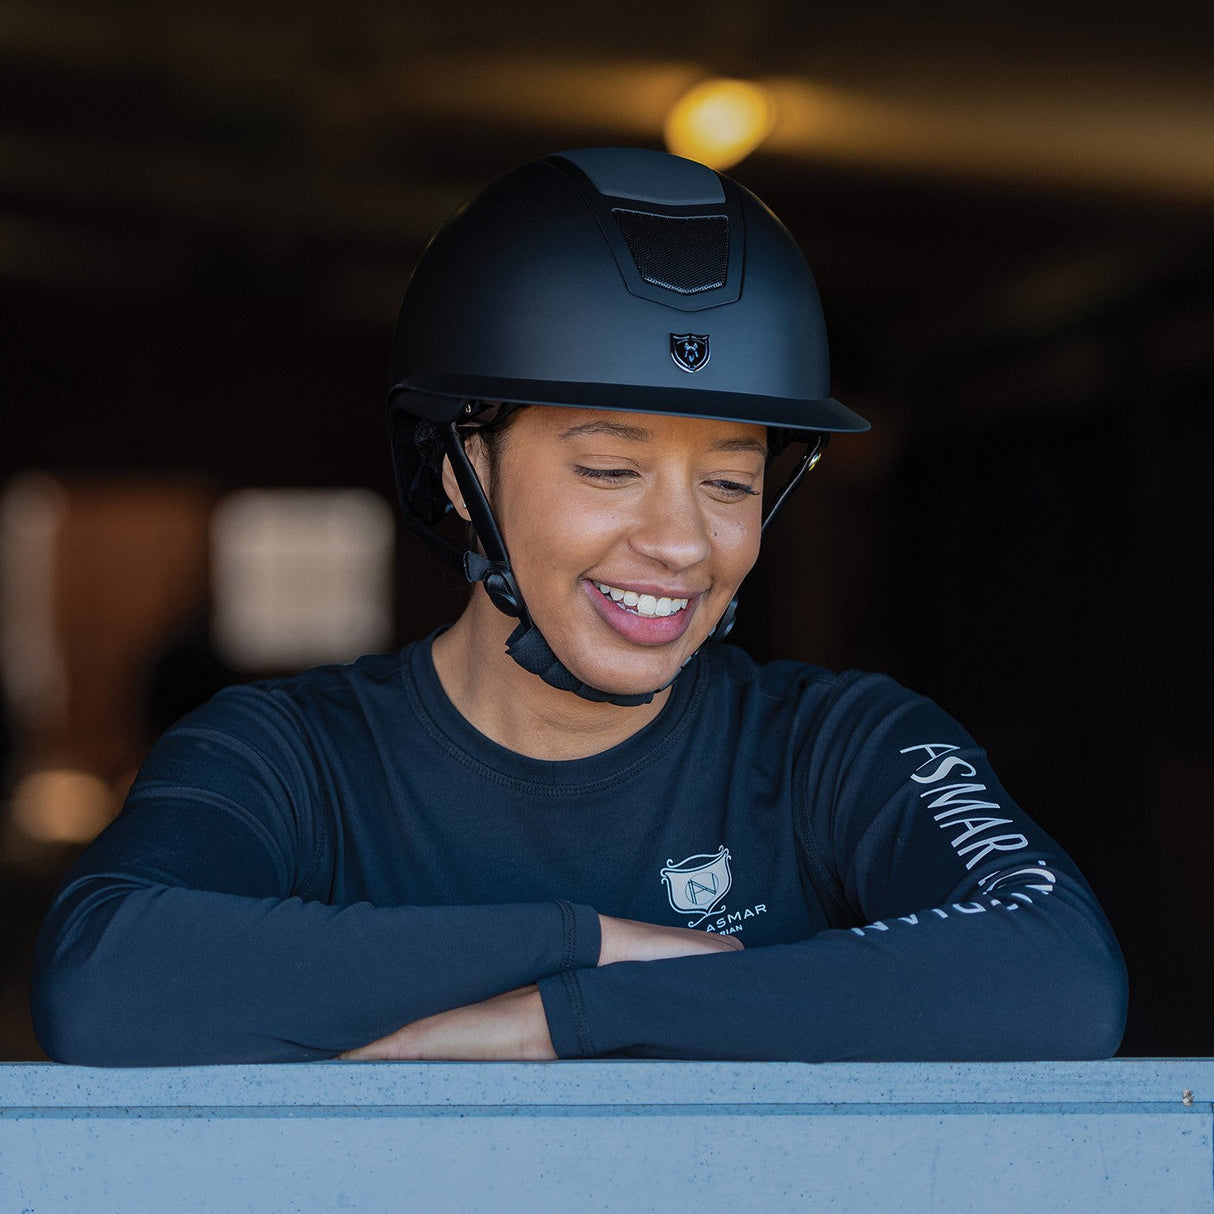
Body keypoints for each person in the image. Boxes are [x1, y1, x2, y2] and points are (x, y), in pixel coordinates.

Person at [31, 147, 1127, 1065]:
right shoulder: (286, 759)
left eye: (730, 480)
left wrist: (563, 1018)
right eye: (608, 468)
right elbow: (110, 979)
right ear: (462, 468)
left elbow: (1055, 974)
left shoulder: (837, 750)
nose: (682, 540)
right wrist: (595, 940)